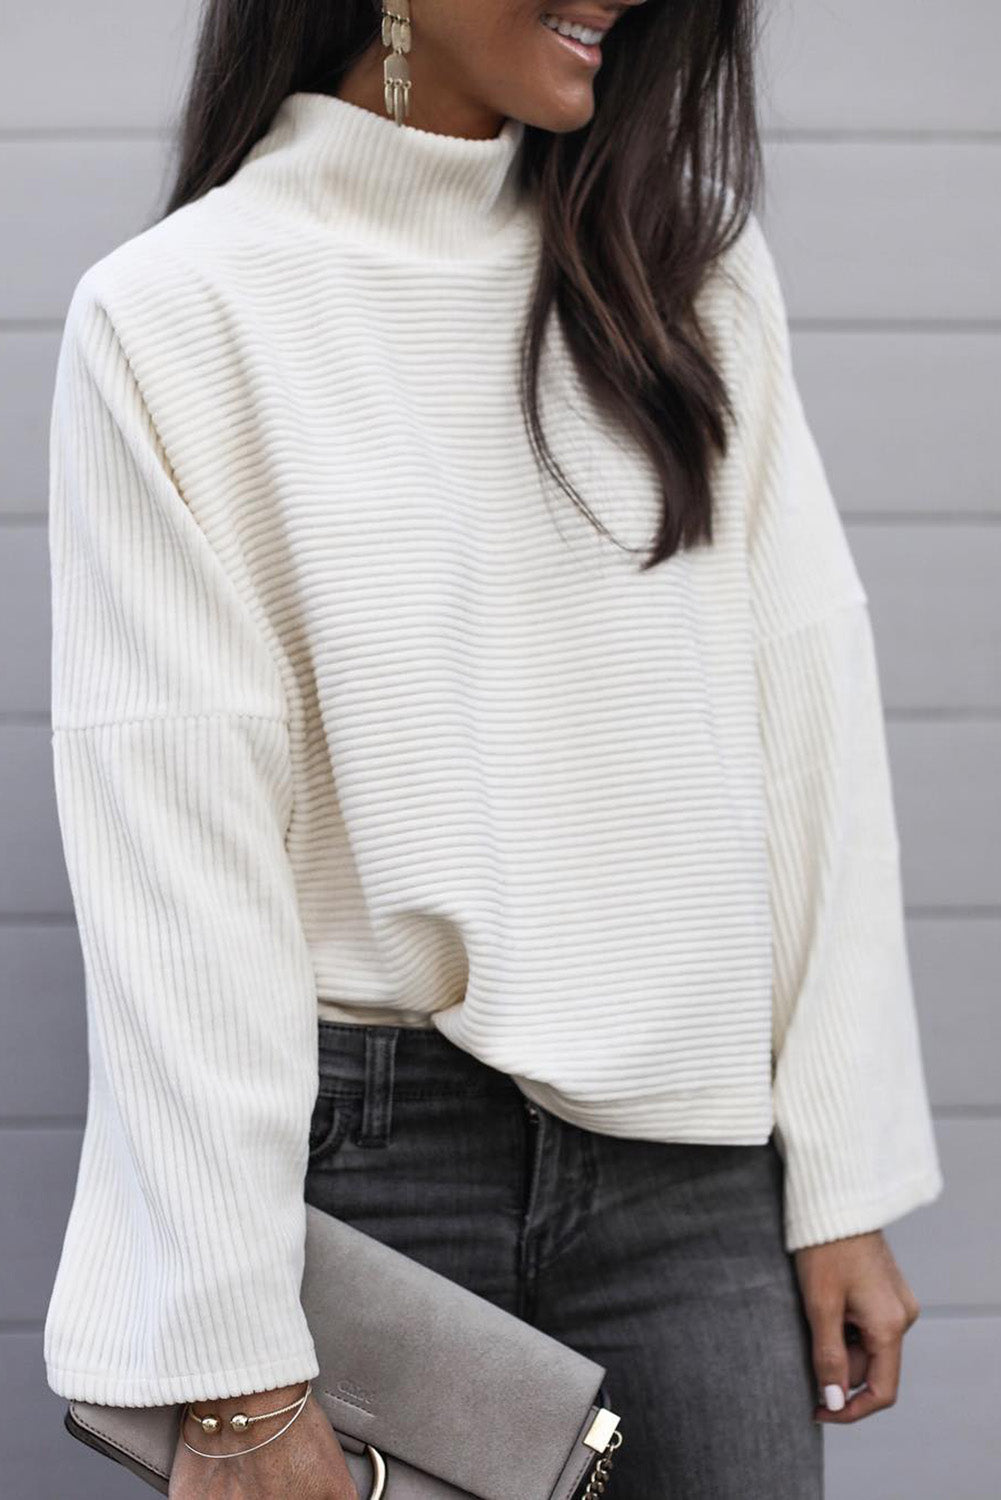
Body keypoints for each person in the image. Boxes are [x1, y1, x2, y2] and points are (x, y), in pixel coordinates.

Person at [43, 2, 944, 1497]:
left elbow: (808, 718)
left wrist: (838, 1179)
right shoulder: (179, 314)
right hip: (367, 1184)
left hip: (692, 1183)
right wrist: (238, 1375)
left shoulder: (683, 270)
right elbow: (176, 876)